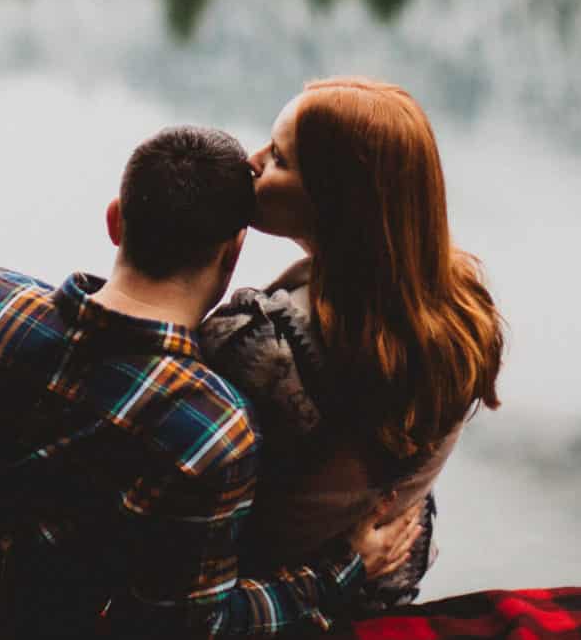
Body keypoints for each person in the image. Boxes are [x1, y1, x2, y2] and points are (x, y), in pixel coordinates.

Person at [0, 124, 421, 639]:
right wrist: (344, 569)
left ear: (115, 220)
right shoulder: (212, 429)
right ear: (231, 257)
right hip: (4, 617)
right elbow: (191, 622)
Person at [200, 78, 504, 611]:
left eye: (280, 160)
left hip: (268, 609)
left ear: (335, 202)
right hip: (383, 591)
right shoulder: (463, 311)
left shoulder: (263, 345)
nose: (252, 160)